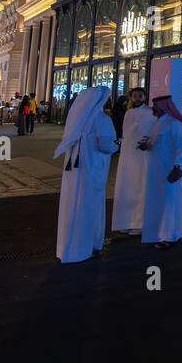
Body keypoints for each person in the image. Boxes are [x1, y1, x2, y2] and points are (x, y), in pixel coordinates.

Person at [54, 86, 119, 263]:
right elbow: (106, 145)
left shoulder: (77, 121)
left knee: (71, 205)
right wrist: (117, 145)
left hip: (73, 170)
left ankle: (69, 248)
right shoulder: (102, 120)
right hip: (92, 169)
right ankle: (87, 246)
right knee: (88, 205)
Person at [141, 93, 182, 249]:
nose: (153, 109)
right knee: (159, 201)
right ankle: (157, 233)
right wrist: (146, 146)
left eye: (155, 107)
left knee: (169, 201)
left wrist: (177, 166)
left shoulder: (174, 124)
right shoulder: (158, 123)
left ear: (163, 107)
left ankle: (169, 235)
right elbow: (155, 144)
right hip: (156, 170)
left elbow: (180, 148)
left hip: (169, 169)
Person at [110, 87, 153, 234]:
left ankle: (139, 223)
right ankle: (126, 220)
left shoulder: (150, 113)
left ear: (145, 97)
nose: (137, 98)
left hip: (142, 157)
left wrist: (148, 142)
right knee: (126, 187)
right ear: (131, 98)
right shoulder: (128, 113)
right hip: (127, 157)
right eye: (135, 96)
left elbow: (153, 131)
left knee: (140, 186)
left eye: (140, 96)